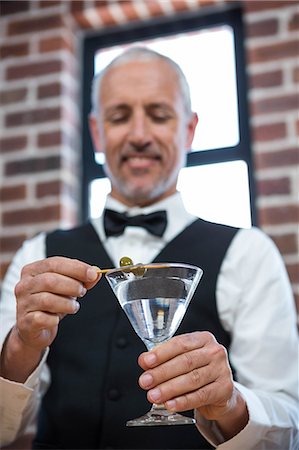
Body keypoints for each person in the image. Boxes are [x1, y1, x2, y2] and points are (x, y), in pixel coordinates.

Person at [0, 47, 298, 450]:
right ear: (96, 132)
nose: (139, 135)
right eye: (120, 117)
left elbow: (290, 422)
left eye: (159, 115)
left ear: (189, 130)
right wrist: (21, 345)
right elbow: (4, 432)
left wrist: (230, 403)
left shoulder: (248, 252)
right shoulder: (37, 255)